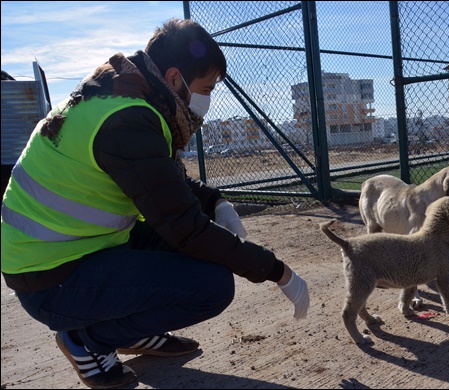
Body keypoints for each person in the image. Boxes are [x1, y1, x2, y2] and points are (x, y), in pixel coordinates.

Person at [1, 18, 309, 389]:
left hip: (74, 251)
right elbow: (184, 228)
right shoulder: (128, 119)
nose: (207, 100)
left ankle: (126, 332)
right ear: (175, 77)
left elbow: (163, 179)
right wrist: (277, 272)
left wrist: (215, 201)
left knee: (197, 257)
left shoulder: (123, 96)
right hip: (50, 280)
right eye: (206, 88)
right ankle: (88, 341)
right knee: (211, 286)